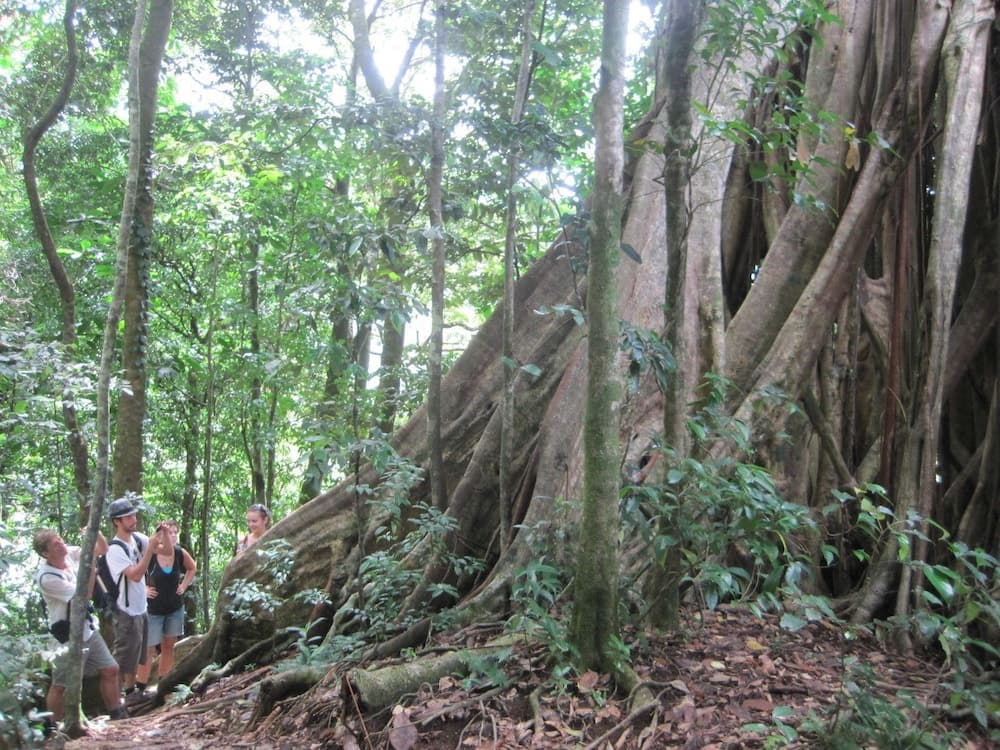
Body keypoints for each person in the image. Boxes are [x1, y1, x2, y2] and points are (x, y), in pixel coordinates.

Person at [34, 529, 128, 722]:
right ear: (45, 553)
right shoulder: (47, 578)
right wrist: (92, 567)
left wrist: (95, 533)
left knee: (110, 669)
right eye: (55, 544)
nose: (61, 544)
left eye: (60, 539)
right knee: (61, 685)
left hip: (88, 629)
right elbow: (83, 596)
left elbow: (101, 549)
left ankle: (116, 712)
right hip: (66, 637)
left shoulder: (69, 554)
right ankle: (55, 726)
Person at [105, 497, 167, 697]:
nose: (133, 519)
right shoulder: (114, 549)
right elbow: (136, 574)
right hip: (125, 611)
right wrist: (149, 549)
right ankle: (115, 704)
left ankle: (131, 694)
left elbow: (164, 550)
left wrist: (162, 536)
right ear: (117, 521)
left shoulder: (137, 538)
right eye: (127, 517)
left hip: (141, 608)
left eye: (133, 515)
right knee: (122, 661)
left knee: (137, 655)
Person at [134, 520, 196, 691]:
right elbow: (134, 573)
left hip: (174, 607)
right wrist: (144, 589)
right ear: (159, 535)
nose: (173, 535)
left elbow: (192, 568)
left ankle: (164, 683)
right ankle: (140, 686)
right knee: (148, 648)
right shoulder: (150, 554)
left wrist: (183, 585)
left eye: (175, 532)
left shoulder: (179, 553)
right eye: (169, 532)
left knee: (169, 646)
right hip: (153, 609)